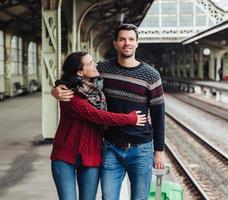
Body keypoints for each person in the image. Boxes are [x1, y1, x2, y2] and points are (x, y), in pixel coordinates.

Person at [52, 23, 165, 200]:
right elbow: (73, 78)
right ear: (115, 43)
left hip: (141, 149)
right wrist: (56, 88)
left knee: (140, 198)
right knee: (108, 197)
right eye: (122, 39)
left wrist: (159, 151)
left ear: (137, 43)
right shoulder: (102, 70)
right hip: (111, 147)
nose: (127, 43)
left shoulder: (151, 75)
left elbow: (158, 115)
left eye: (131, 39)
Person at [50, 51, 147, 200]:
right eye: (90, 63)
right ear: (79, 72)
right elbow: (98, 116)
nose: (95, 64)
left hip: (91, 153)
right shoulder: (69, 94)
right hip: (65, 155)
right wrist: (129, 119)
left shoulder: (99, 87)